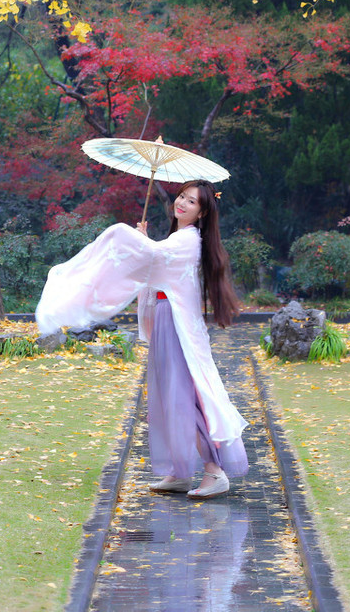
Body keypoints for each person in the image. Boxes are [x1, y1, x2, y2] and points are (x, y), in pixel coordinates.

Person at [35, 180, 248, 498]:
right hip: (167, 320)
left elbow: (155, 260)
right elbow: (156, 263)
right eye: (181, 197)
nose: (182, 204)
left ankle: (214, 471)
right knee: (169, 394)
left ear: (202, 212)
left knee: (185, 397)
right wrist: (146, 242)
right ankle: (179, 471)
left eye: (191, 202)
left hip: (176, 326)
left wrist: (129, 236)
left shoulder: (189, 240)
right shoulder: (178, 238)